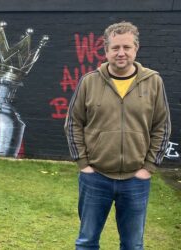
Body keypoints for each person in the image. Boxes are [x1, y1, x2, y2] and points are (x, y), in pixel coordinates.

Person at [64, 21, 171, 249]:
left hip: (136, 179)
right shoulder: (89, 82)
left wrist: (148, 167)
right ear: (106, 51)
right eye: (115, 48)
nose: (121, 53)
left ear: (136, 49)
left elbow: (161, 126)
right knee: (86, 242)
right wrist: (83, 164)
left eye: (126, 47)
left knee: (132, 245)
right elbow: (73, 123)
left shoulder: (153, 82)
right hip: (95, 178)